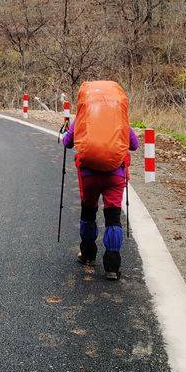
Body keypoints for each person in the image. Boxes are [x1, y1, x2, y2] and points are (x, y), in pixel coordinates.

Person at [60, 80, 140, 280]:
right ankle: (112, 266)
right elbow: (135, 145)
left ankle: (87, 254)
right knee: (113, 217)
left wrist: (64, 132)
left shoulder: (82, 118)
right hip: (115, 175)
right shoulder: (119, 120)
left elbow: (67, 142)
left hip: (89, 175)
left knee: (88, 212)